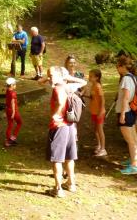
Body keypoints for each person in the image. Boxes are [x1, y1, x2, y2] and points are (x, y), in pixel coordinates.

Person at [46, 66, 86, 198]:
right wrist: (67, 78)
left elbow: (61, 102)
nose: (49, 77)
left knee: (57, 159)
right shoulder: (68, 87)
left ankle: (58, 189)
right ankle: (71, 184)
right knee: (69, 157)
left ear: (59, 76)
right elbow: (83, 82)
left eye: (51, 75)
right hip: (70, 127)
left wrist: (55, 114)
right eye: (49, 75)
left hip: (59, 127)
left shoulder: (58, 88)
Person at [116, 57, 137, 175]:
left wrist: (122, 114)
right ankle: (133, 160)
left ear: (122, 66)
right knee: (134, 138)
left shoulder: (126, 78)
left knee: (130, 140)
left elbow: (126, 97)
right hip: (131, 111)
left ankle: (134, 166)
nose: (117, 68)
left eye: (118, 66)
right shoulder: (133, 77)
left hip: (125, 111)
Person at [88, 69, 107, 157]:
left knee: (100, 130)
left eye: (91, 76)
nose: (89, 77)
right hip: (94, 112)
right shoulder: (93, 85)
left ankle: (103, 149)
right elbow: (93, 98)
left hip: (99, 112)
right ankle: (99, 145)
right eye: (89, 76)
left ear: (97, 77)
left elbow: (102, 100)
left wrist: (101, 111)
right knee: (96, 130)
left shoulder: (98, 86)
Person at [4, 77, 23, 147]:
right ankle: (13, 138)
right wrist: (14, 113)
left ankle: (8, 140)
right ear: (11, 85)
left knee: (10, 125)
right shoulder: (13, 93)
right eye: (15, 84)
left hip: (7, 110)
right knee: (20, 122)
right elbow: (13, 103)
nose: (16, 86)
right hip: (13, 111)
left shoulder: (7, 91)